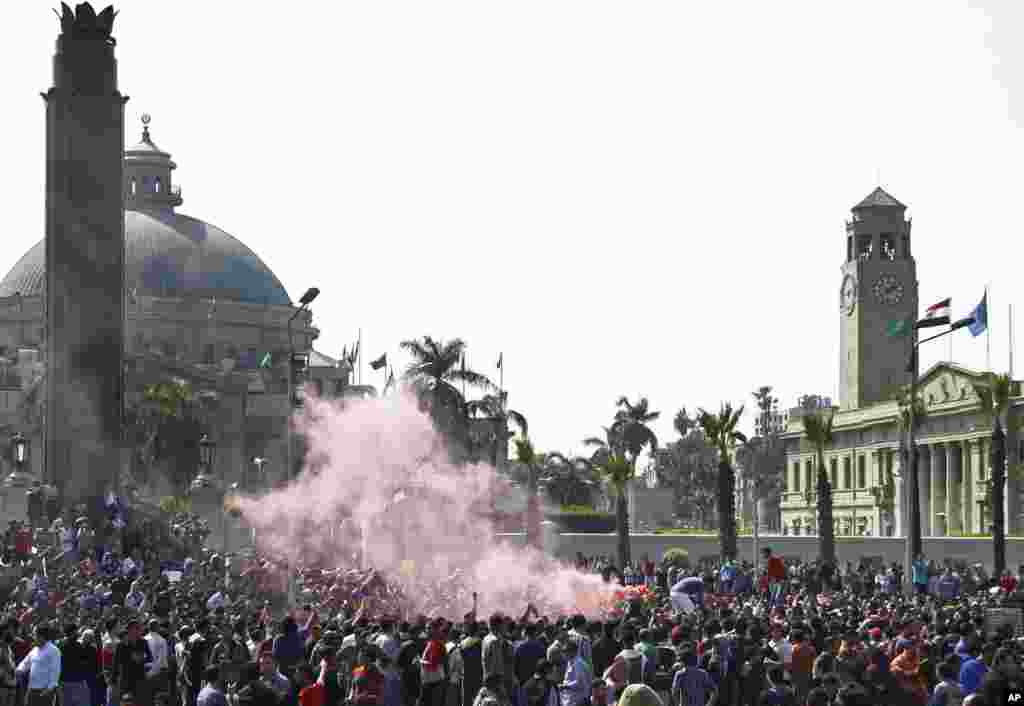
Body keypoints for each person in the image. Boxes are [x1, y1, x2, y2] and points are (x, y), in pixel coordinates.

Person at [16, 625, 60, 706]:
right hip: (31, 689)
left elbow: (55, 671)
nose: (32, 637)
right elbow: (25, 663)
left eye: (34, 634)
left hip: (45, 691)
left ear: (41, 636)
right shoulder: (34, 650)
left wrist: (49, 688)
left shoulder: (54, 650)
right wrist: (19, 671)